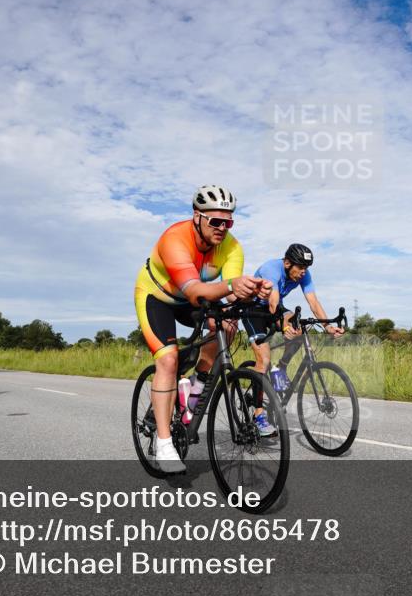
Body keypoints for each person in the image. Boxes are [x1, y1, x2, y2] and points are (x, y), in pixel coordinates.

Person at [134, 185, 271, 473]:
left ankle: (196, 386)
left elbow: (231, 294)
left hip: (191, 298)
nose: (222, 228)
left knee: (228, 325)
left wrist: (252, 292)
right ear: (197, 216)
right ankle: (164, 443)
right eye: (216, 221)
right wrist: (232, 285)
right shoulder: (174, 239)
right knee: (168, 359)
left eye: (228, 222)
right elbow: (196, 290)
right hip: (157, 297)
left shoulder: (232, 247)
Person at [243, 244, 344, 392]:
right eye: (301, 267)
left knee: (299, 329)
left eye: (306, 267)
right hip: (253, 309)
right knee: (264, 360)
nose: (304, 271)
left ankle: (281, 367)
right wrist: (284, 326)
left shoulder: (304, 275)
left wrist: (328, 327)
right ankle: (256, 406)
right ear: (287, 263)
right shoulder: (271, 269)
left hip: (276, 307)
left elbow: (314, 303)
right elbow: (273, 304)